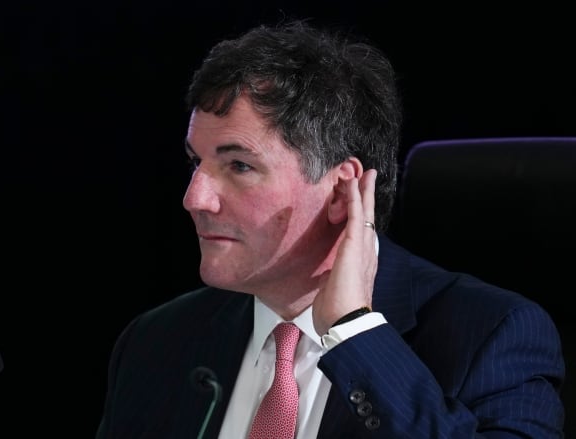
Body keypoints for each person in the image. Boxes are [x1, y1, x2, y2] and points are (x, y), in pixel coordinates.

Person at [96, 19, 565, 438]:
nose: (194, 198)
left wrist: (355, 333)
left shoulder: (495, 338)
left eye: (238, 165)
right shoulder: (157, 341)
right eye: (196, 163)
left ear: (342, 194)